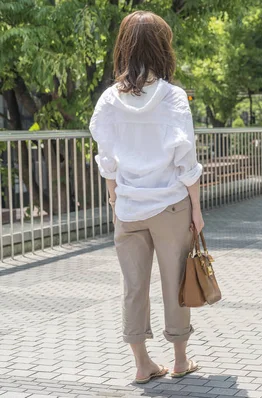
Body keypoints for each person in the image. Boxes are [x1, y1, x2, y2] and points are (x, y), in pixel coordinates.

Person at [89, 11, 204, 384]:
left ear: (123, 47)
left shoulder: (109, 100)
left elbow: (105, 156)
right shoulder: (172, 97)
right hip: (170, 204)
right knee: (175, 282)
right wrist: (197, 210)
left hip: (128, 205)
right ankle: (180, 359)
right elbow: (186, 160)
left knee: (133, 286)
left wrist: (114, 194)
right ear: (162, 47)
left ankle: (142, 364)